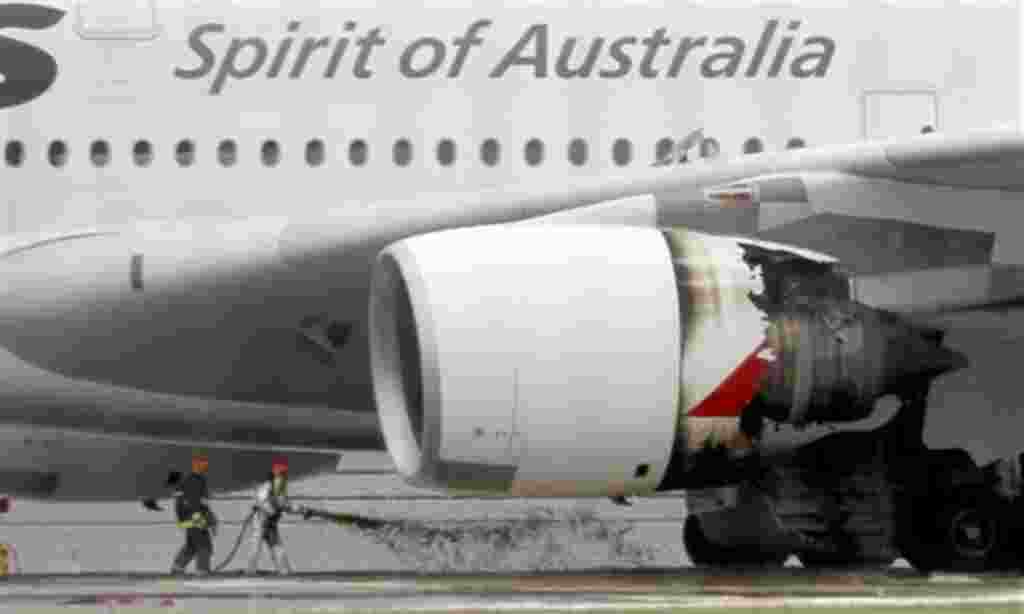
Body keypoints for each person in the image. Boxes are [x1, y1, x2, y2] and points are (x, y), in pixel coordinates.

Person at [247, 456, 301, 575]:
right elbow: (261, 501)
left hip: (270, 521)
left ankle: (284, 570)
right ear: (275, 472)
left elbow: (284, 502)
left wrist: (296, 508)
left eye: (283, 473)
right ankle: (251, 571)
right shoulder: (266, 485)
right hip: (260, 520)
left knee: (276, 545)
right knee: (256, 546)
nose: (282, 476)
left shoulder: (281, 487)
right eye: (280, 473)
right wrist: (272, 510)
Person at [171, 455, 216, 576]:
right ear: (198, 465)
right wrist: (202, 520)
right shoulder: (195, 480)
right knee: (204, 544)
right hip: (194, 518)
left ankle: (177, 567)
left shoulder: (191, 479)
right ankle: (202, 570)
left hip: (187, 519)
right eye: (204, 464)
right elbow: (194, 502)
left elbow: (195, 501)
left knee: (191, 545)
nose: (206, 466)